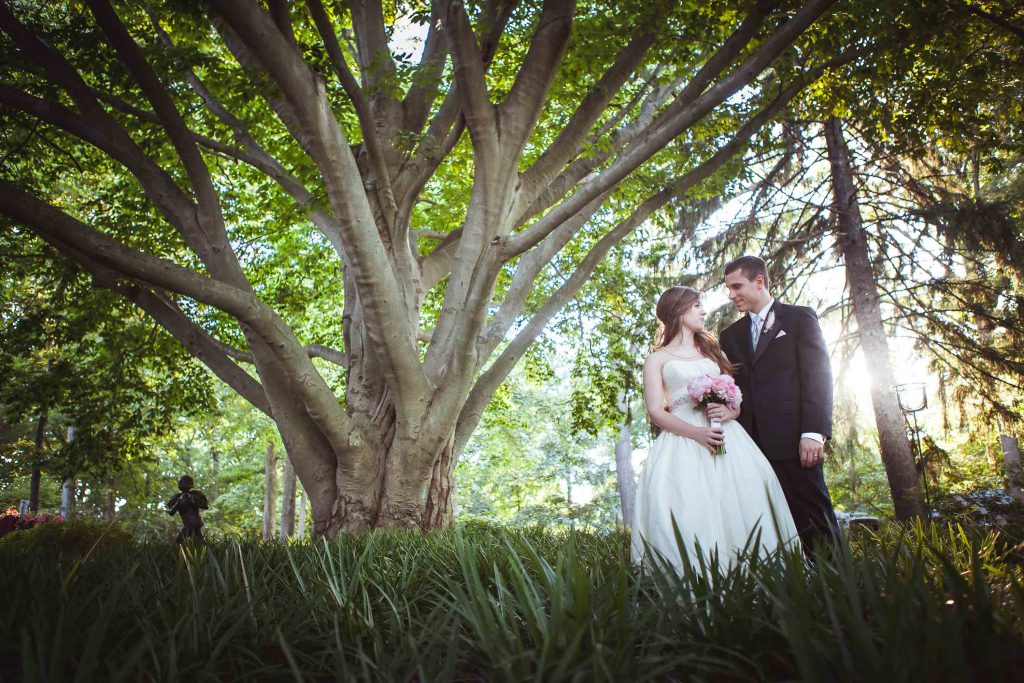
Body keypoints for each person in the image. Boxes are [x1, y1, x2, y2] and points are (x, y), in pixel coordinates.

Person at [631, 286, 800, 575]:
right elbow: (657, 412)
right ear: (679, 310)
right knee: (690, 505)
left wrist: (730, 410)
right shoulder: (656, 360)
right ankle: (695, 575)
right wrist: (697, 434)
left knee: (744, 499)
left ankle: (755, 573)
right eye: (697, 306)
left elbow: (735, 396)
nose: (703, 312)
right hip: (683, 439)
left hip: (726, 435)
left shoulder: (712, 350)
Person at [718, 255, 841, 555]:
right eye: (728, 289)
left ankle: (837, 583)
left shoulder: (799, 319)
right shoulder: (729, 336)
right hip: (751, 447)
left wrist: (813, 432)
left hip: (795, 441)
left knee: (813, 516)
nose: (731, 295)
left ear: (759, 282)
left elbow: (818, 377)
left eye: (737, 287)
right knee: (767, 522)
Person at [166, 475, 209, 544]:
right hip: (188, 523)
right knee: (199, 540)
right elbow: (171, 512)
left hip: (195, 522)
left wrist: (193, 501)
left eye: (186, 482)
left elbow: (206, 506)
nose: (183, 484)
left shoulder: (195, 494)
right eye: (182, 482)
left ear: (191, 484)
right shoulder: (177, 497)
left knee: (180, 539)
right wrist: (178, 502)